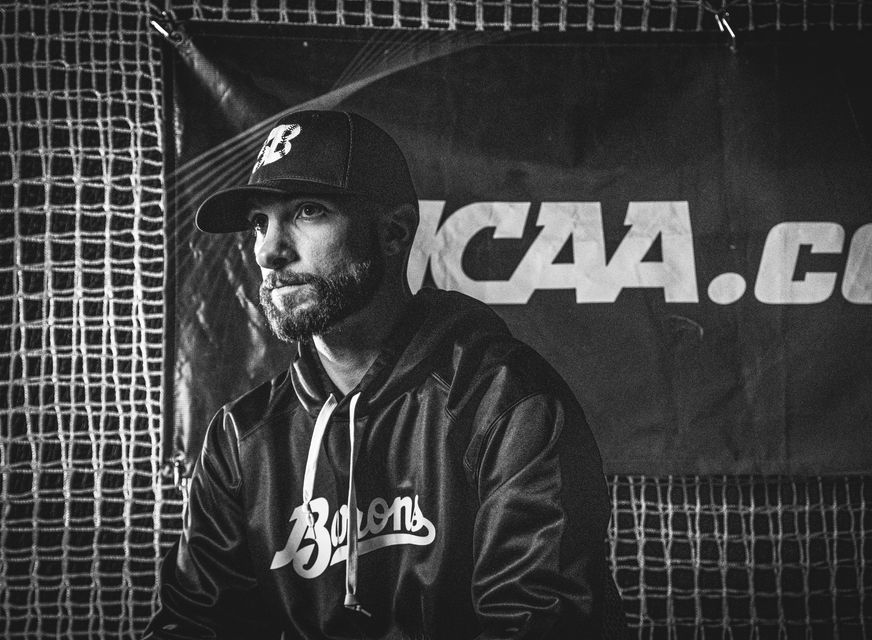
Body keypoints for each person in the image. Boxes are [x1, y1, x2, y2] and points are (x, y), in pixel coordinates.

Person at [145, 110, 626, 639]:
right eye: (260, 220)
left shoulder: (506, 403)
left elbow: (539, 624)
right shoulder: (242, 440)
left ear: (394, 233)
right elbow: (190, 625)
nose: (268, 249)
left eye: (308, 211)